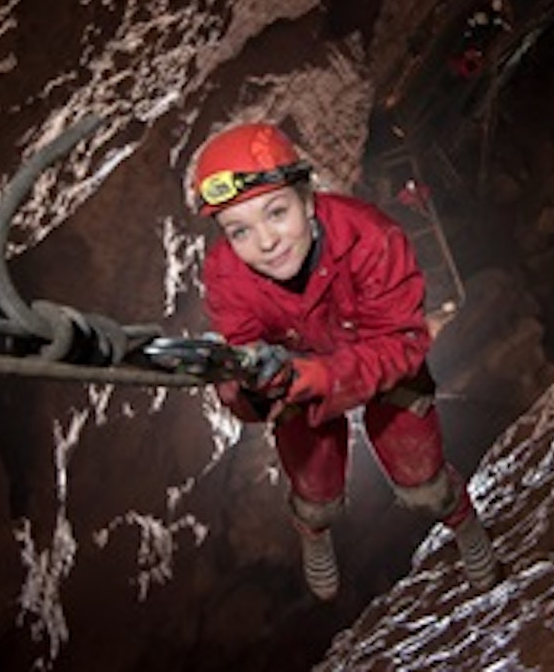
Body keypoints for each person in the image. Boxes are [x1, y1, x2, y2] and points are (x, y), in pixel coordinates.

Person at [192, 121, 499, 601]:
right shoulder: (225, 271)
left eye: (276, 212)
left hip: (377, 360)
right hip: (297, 374)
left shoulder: (371, 237)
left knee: (422, 483)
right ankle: (314, 534)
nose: (266, 242)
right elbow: (242, 348)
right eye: (240, 230)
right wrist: (244, 386)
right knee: (315, 494)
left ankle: (462, 520)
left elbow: (402, 343)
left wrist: (324, 376)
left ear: (308, 200)